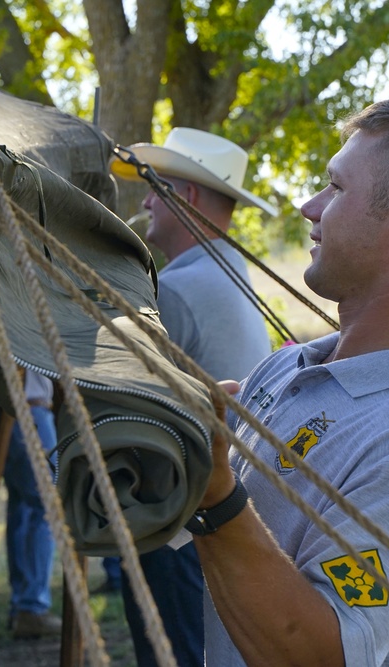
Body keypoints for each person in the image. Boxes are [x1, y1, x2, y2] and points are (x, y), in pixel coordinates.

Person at [191, 98, 389, 665]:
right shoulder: (285, 368)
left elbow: (321, 654)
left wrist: (215, 496)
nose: (310, 207)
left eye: (336, 189)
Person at [111, 127, 277, 666]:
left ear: (190, 196)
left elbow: (126, 406)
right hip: (227, 506)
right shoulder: (230, 273)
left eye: (157, 187)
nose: (145, 200)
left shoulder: (178, 289)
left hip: (179, 519)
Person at [0, 369, 62, 639]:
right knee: (45, 508)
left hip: (2, 413)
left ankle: (22, 606)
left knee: (22, 509)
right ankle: (31, 607)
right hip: (29, 412)